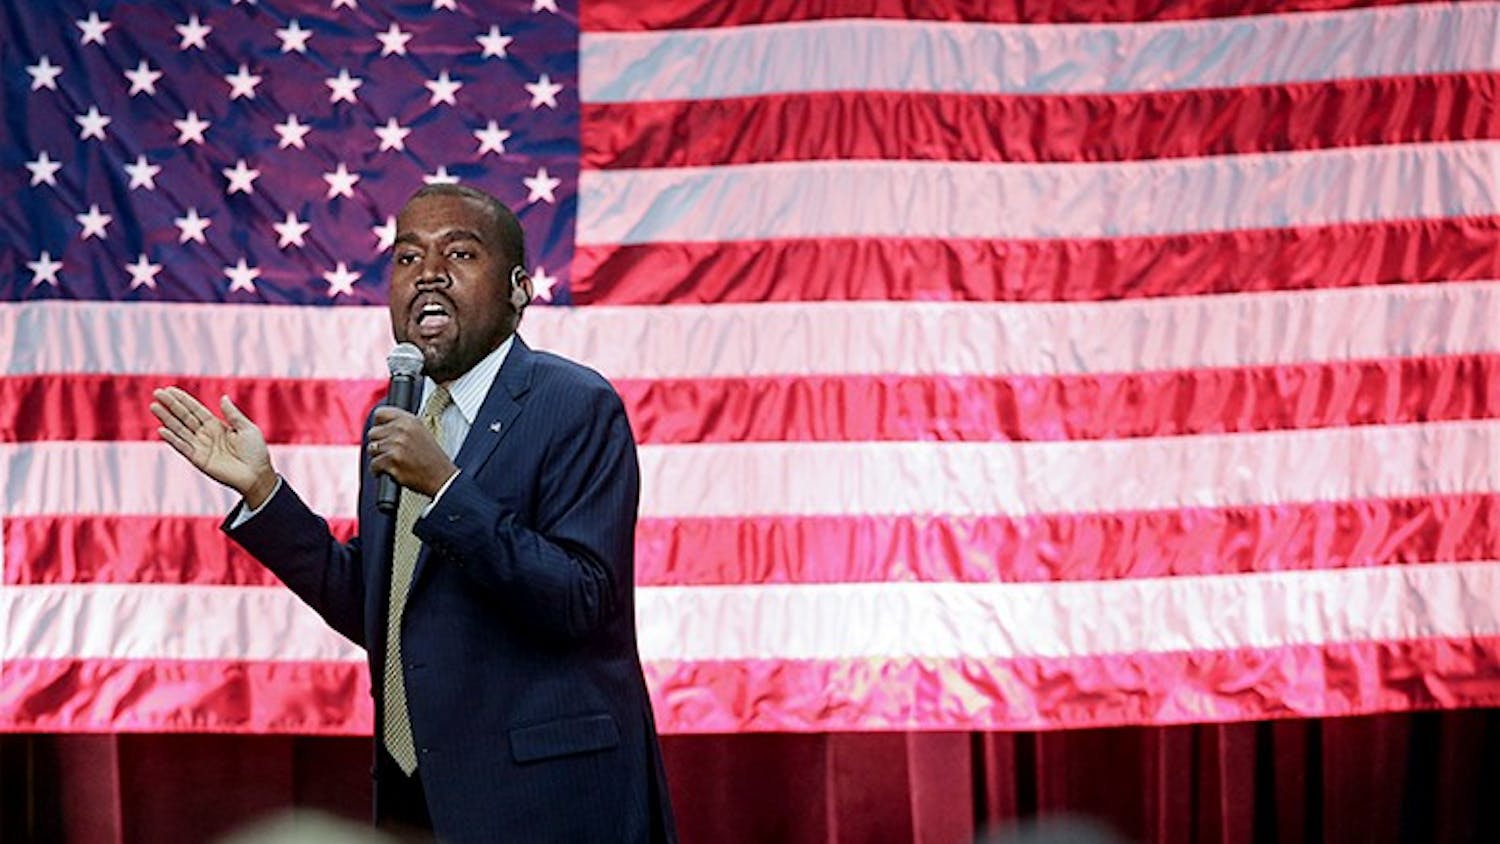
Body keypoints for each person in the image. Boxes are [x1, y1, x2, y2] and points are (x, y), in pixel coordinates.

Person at [150, 183, 677, 842]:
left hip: (548, 800)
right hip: (421, 795)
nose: (428, 273)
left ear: (519, 290)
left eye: (459, 253)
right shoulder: (397, 416)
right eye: (407, 258)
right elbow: (384, 608)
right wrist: (264, 493)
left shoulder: (573, 404)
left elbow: (582, 598)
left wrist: (448, 487)